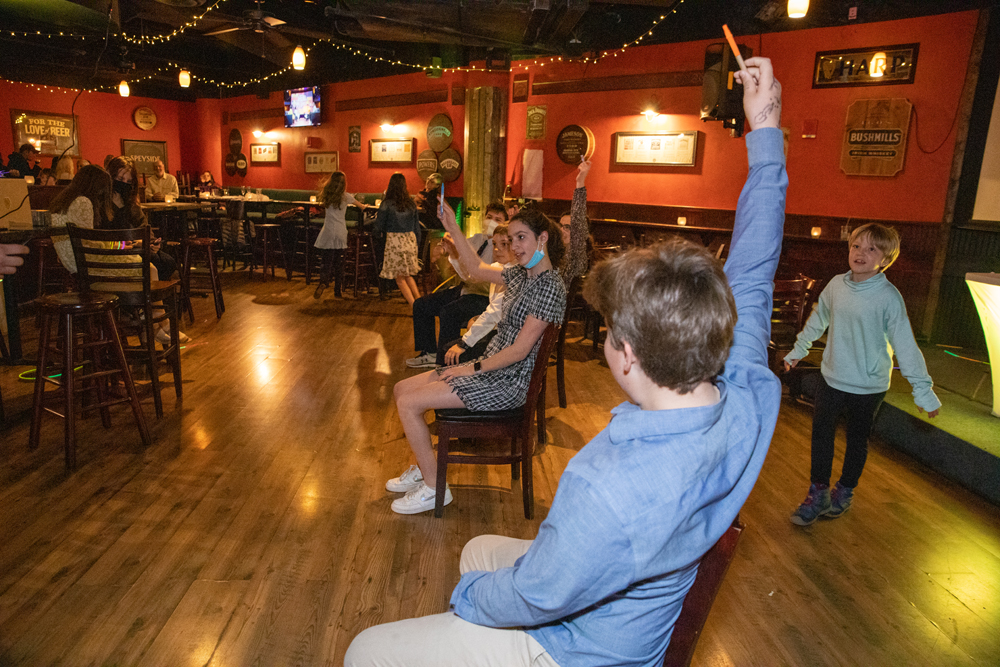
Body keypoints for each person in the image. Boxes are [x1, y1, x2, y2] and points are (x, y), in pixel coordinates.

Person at [346, 56, 787, 667]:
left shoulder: (605, 483)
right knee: (475, 550)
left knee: (368, 649)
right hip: (637, 617)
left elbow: (536, 597)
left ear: (626, 355)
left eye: (608, 329)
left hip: (579, 650)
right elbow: (755, 267)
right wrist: (765, 133)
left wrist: (465, 600)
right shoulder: (747, 395)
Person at [384, 203, 567, 517]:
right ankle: (426, 468)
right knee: (401, 389)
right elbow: (476, 270)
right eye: (512, 239)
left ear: (543, 238)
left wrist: (471, 367)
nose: (515, 246)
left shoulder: (549, 286)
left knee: (408, 403)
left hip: (507, 382)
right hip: (493, 369)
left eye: (521, 238)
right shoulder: (523, 275)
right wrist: (452, 226)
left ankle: (435, 488)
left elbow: (519, 351)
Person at [784, 223, 941, 525]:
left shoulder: (888, 297)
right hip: (832, 377)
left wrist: (922, 390)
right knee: (821, 435)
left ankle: (845, 490)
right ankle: (818, 493)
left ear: (885, 259)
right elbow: (818, 320)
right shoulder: (836, 285)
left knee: (857, 440)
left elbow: (905, 344)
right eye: (857, 246)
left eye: (871, 249)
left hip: (869, 385)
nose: (861, 253)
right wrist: (798, 350)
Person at [48, 165, 189, 344]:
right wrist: (124, 245)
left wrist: (126, 245)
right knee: (149, 268)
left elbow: (89, 242)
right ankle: (156, 326)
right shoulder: (83, 202)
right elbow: (91, 243)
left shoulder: (63, 201)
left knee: (154, 264)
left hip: (75, 264)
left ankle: (153, 326)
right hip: (89, 266)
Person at [404, 203, 505, 369]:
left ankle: (445, 364)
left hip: (482, 295)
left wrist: (454, 255)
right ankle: (429, 353)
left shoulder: (501, 249)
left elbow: (477, 277)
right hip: (465, 288)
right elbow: (462, 264)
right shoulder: (476, 239)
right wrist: (446, 249)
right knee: (421, 304)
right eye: (489, 217)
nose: (491, 222)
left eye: (497, 219)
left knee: (449, 312)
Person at [437, 223, 513, 366]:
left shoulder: (514, 273)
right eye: (495, 244)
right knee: (447, 350)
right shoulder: (499, 267)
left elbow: (495, 312)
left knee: (450, 353)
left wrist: (464, 343)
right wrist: (454, 255)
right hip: (499, 329)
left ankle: (448, 377)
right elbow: (471, 277)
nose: (497, 249)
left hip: (507, 339)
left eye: (504, 244)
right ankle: (442, 376)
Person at [313, 171, 365, 299]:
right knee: (339, 262)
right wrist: (365, 206)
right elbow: (361, 206)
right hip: (340, 231)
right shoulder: (346, 196)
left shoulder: (327, 194)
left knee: (326, 260)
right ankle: (337, 291)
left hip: (328, 231)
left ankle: (323, 281)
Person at [373, 173, 422, 305]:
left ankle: (414, 306)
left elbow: (379, 225)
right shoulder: (411, 204)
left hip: (394, 241)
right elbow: (416, 227)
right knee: (408, 275)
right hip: (410, 240)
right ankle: (421, 303)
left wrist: (376, 236)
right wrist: (417, 243)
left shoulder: (387, 204)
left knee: (399, 278)